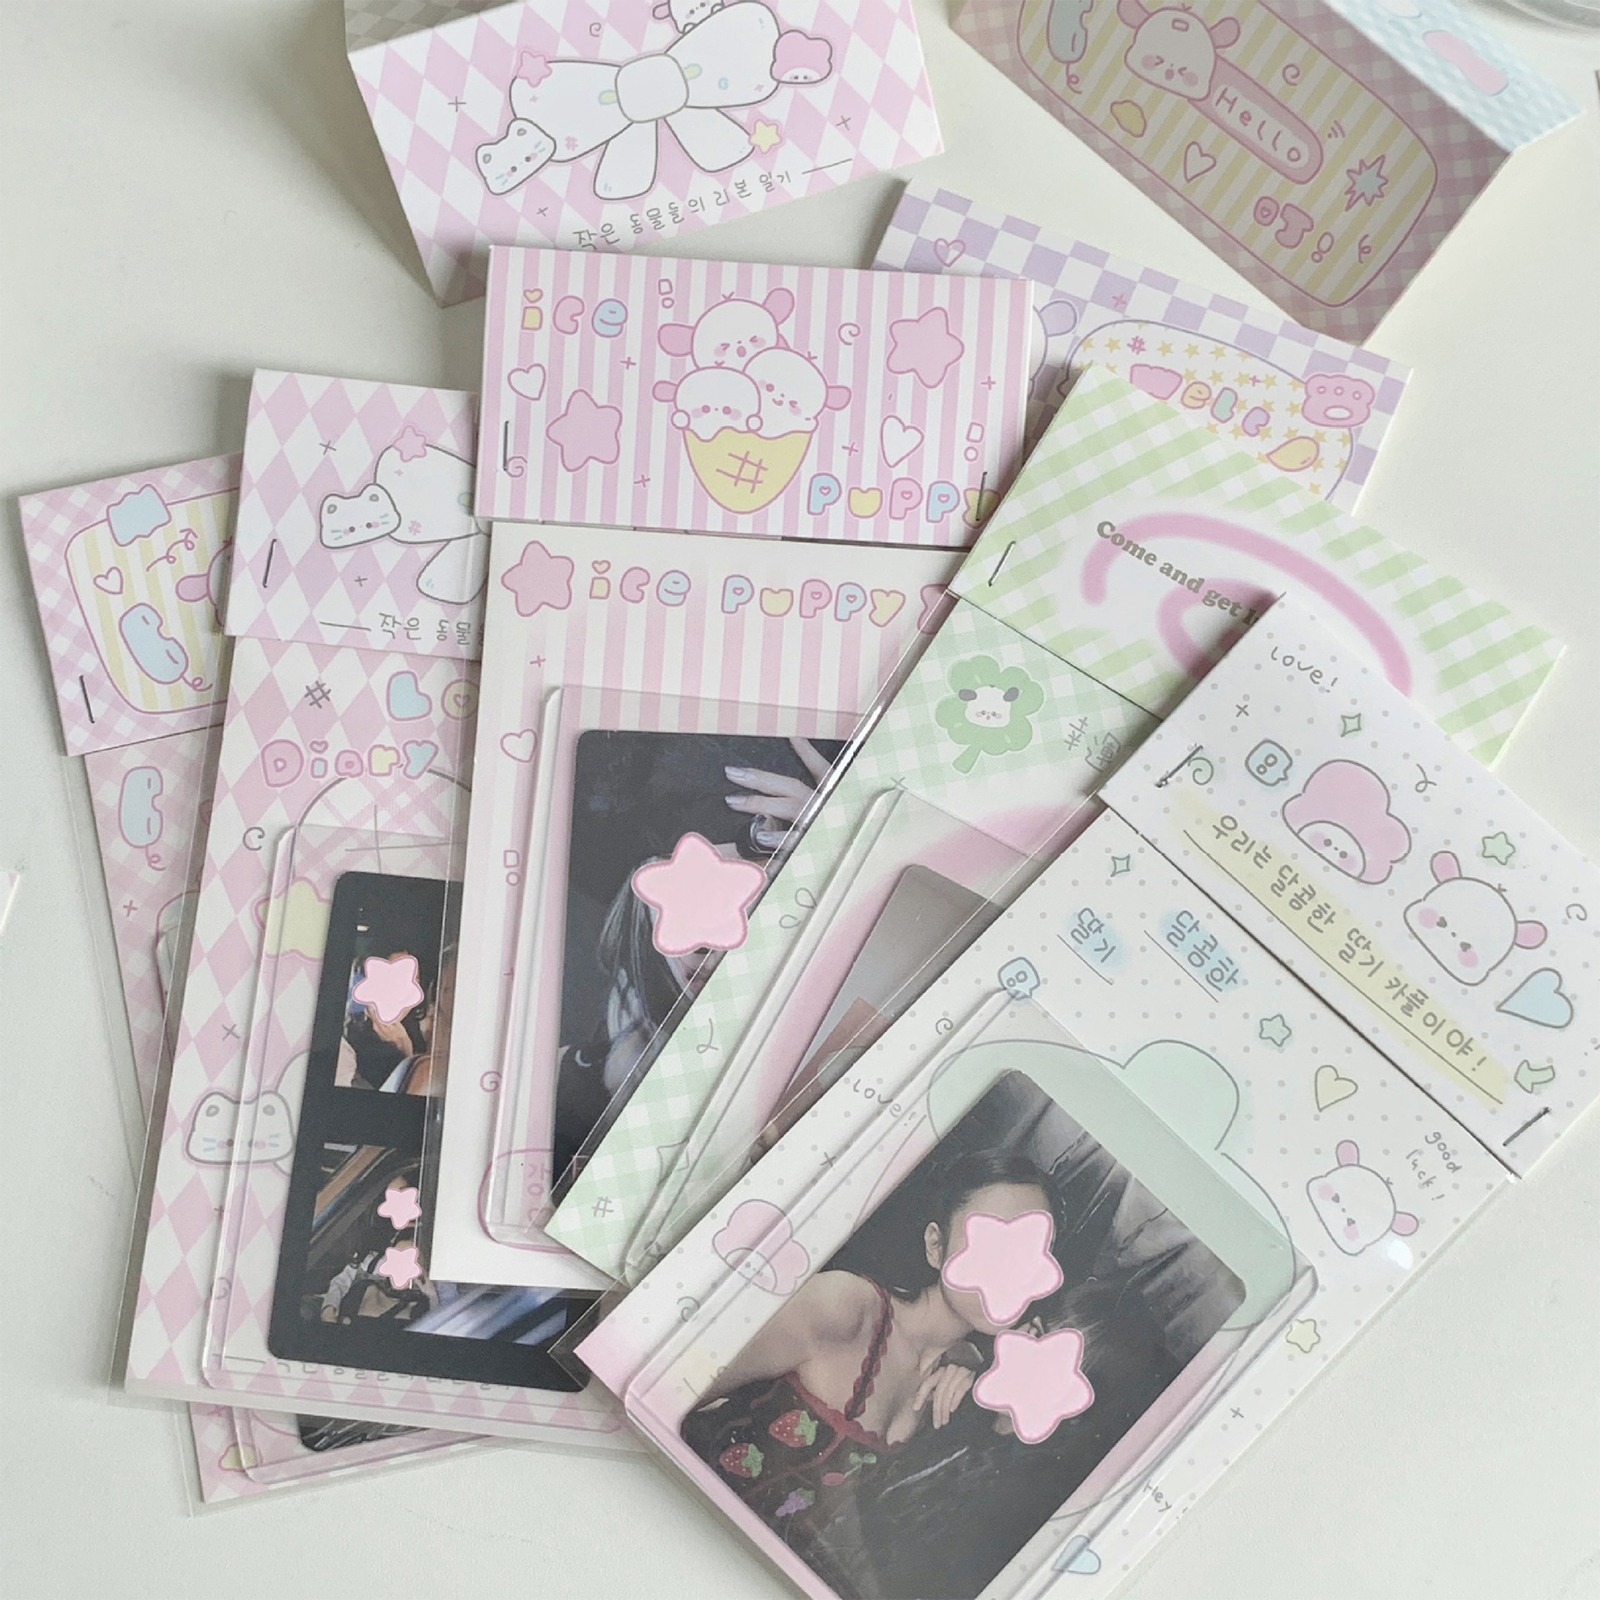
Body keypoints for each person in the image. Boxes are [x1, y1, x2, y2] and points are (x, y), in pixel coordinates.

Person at [681, 1152, 1057, 1547]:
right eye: (994, 1240)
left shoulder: (965, 1376)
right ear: (935, 1244)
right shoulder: (845, 1308)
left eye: (1034, 1251)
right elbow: (670, 1381)